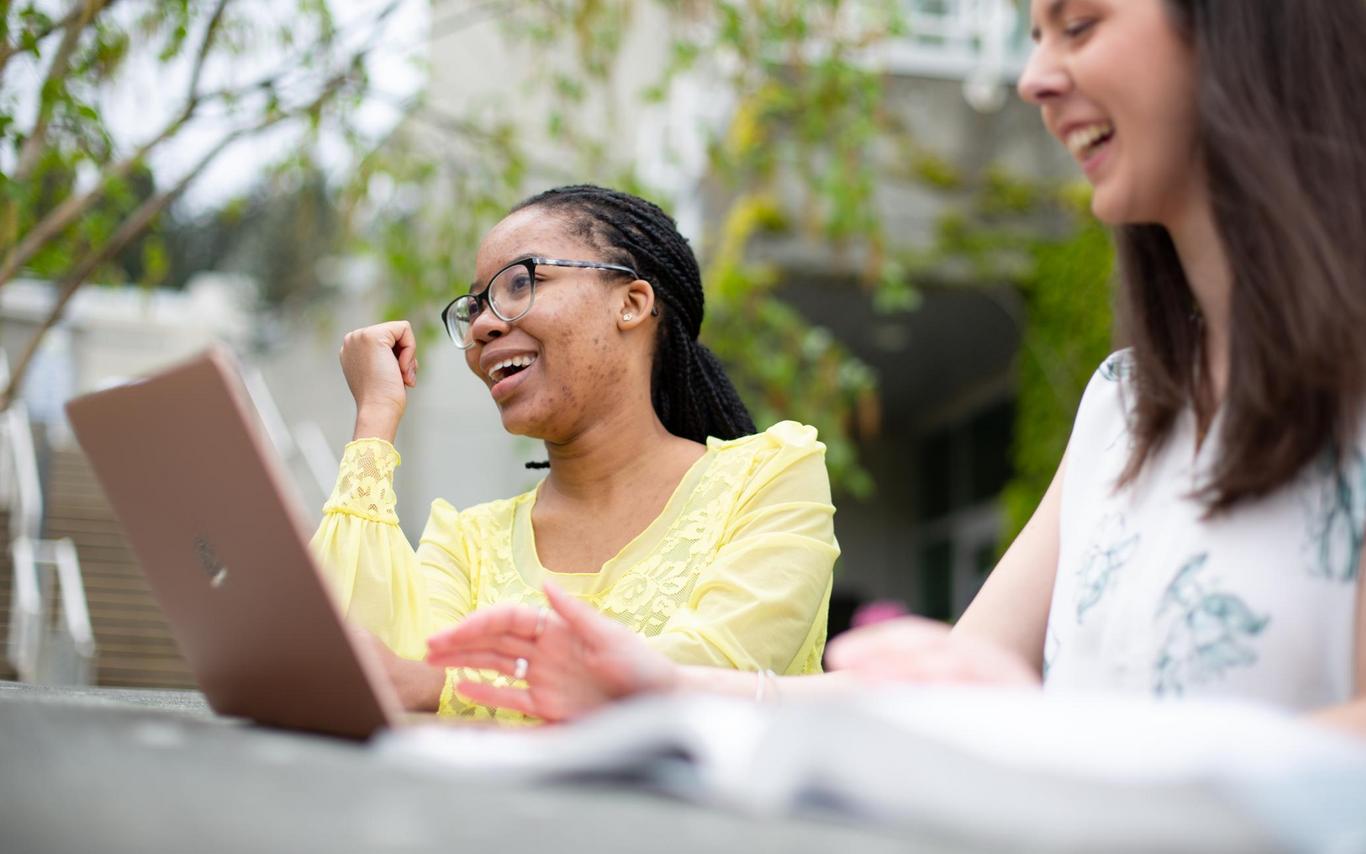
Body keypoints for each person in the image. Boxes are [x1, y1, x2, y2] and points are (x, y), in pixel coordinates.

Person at [425, 0, 1366, 735]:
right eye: (1032, 35)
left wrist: (1060, 733)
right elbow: (961, 687)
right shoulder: (1124, 405)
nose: (1035, 78)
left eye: (1078, 26)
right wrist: (664, 687)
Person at [312, 185, 839, 720]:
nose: (482, 326)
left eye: (521, 282)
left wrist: (443, 687)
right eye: (474, 307)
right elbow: (363, 679)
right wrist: (376, 418)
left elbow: (713, 677)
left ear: (631, 303)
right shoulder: (467, 543)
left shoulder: (771, 478)